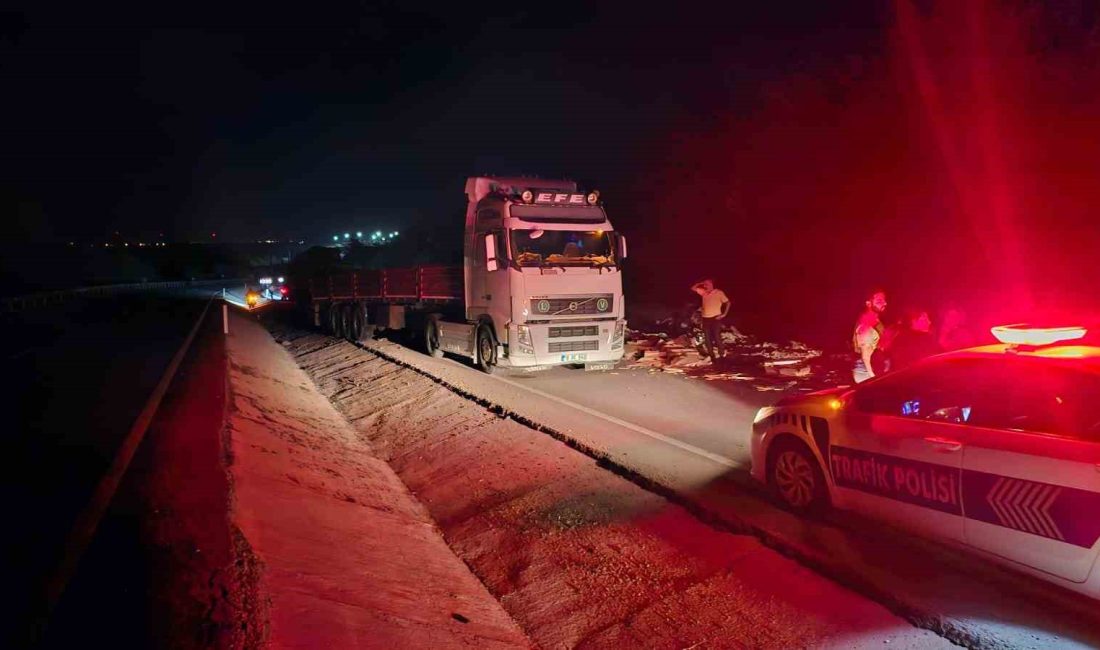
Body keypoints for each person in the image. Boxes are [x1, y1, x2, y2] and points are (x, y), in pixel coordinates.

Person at [690, 278, 730, 361]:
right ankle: (712, 356)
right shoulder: (704, 293)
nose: (705, 285)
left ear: (712, 284)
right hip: (705, 318)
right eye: (704, 284)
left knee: (717, 337)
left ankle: (722, 355)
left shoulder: (719, 292)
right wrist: (700, 282)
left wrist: (724, 314)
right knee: (707, 338)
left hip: (715, 318)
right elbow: (693, 288)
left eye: (707, 284)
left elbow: (728, 302)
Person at [852, 289, 887, 383]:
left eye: (884, 300)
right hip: (869, 373)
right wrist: (874, 379)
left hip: (874, 370)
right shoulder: (866, 323)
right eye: (879, 301)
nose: (885, 303)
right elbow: (865, 355)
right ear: (868, 303)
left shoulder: (875, 321)